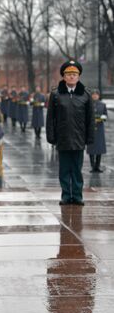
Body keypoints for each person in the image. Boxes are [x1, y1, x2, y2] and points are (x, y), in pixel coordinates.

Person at [46, 60, 94, 206]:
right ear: (64, 77)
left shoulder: (85, 95)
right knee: (65, 170)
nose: (72, 77)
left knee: (77, 171)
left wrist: (90, 137)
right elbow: (50, 118)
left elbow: (90, 118)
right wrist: (51, 136)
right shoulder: (56, 94)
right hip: (63, 138)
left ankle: (77, 196)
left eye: (74, 74)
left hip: (79, 139)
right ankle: (66, 196)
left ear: (78, 76)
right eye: (69, 74)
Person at [87, 90, 107, 173]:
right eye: (93, 94)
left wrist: (101, 118)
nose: (95, 96)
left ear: (99, 96)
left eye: (96, 94)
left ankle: (97, 166)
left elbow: (105, 115)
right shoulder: (88, 104)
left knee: (99, 148)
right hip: (91, 128)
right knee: (91, 147)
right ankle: (92, 166)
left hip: (99, 128)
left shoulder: (102, 105)